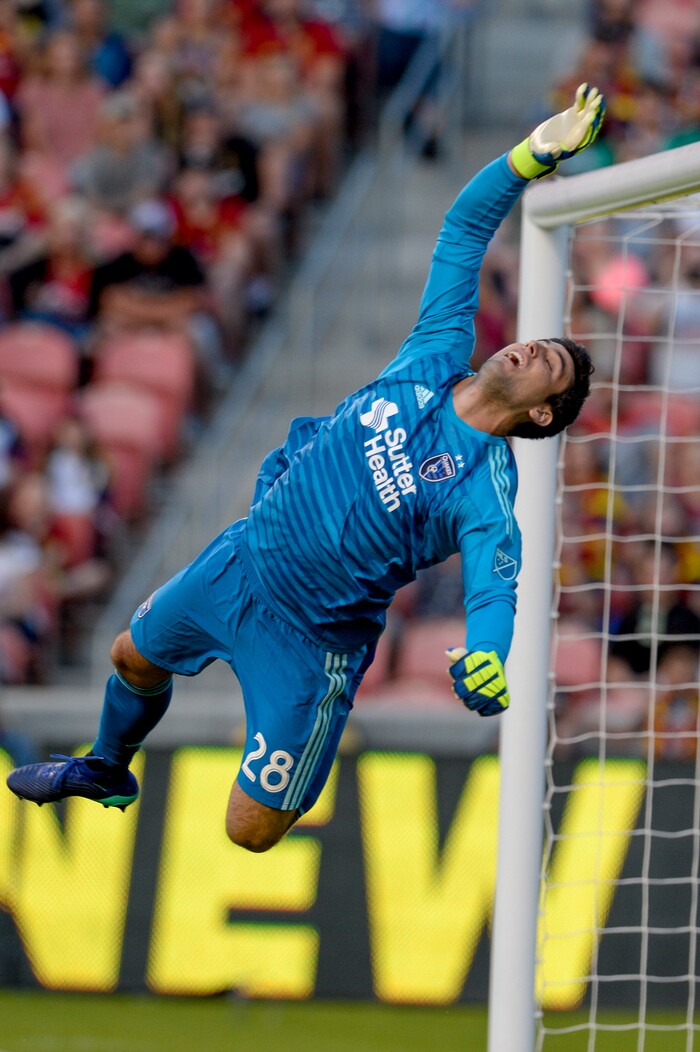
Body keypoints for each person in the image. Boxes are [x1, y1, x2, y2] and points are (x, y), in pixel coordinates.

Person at [6, 84, 605, 851]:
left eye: (545, 362)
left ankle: (312, 732)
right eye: (534, 341)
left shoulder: (482, 484)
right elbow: (462, 231)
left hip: (312, 637)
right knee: (131, 654)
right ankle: (107, 768)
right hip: (243, 560)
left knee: (250, 831)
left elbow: (497, 582)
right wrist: (528, 158)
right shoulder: (435, 352)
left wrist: (487, 654)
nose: (526, 346)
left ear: (543, 412)